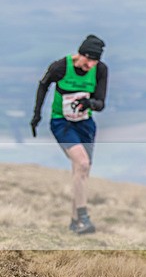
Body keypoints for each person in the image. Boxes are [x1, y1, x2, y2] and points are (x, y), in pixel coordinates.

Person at [31, 34, 108, 235]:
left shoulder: (100, 70)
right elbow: (43, 85)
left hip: (85, 125)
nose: (89, 65)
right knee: (81, 163)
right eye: (87, 59)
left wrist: (89, 103)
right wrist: (36, 115)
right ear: (80, 54)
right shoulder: (60, 67)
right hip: (62, 123)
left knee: (82, 170)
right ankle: (83, 216)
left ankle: (75, 223)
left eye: (94, 61)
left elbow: (101, 103)